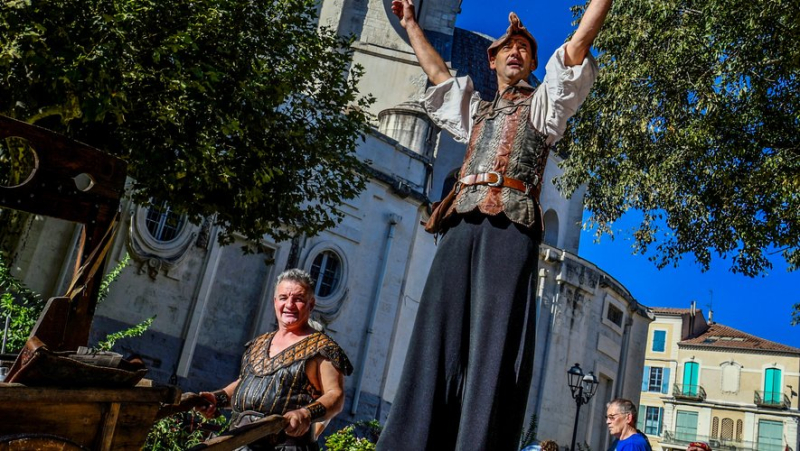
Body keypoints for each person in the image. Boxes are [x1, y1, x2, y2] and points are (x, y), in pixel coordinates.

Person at [376, 1, 612, 450]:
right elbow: (438, 74)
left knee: (494, 340)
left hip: (510, 227)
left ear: (532, 62)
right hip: (461, 220)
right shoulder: (475, 111)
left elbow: (578, 46)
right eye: (508, 48)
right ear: (493, 59)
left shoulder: (545, 107)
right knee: (436, 329)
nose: (515, 53)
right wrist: (409, 22)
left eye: (524, 49)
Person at [196, 268, 353, 451]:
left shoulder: (322, 348)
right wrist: (217, 398)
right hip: (240, 443)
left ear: (311, 304)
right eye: (284, 297)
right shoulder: (259, 344)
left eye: (299, 299)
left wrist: (305, 413)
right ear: (275, 301)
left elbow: (335, 395)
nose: (290, 305)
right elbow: (245, 384)